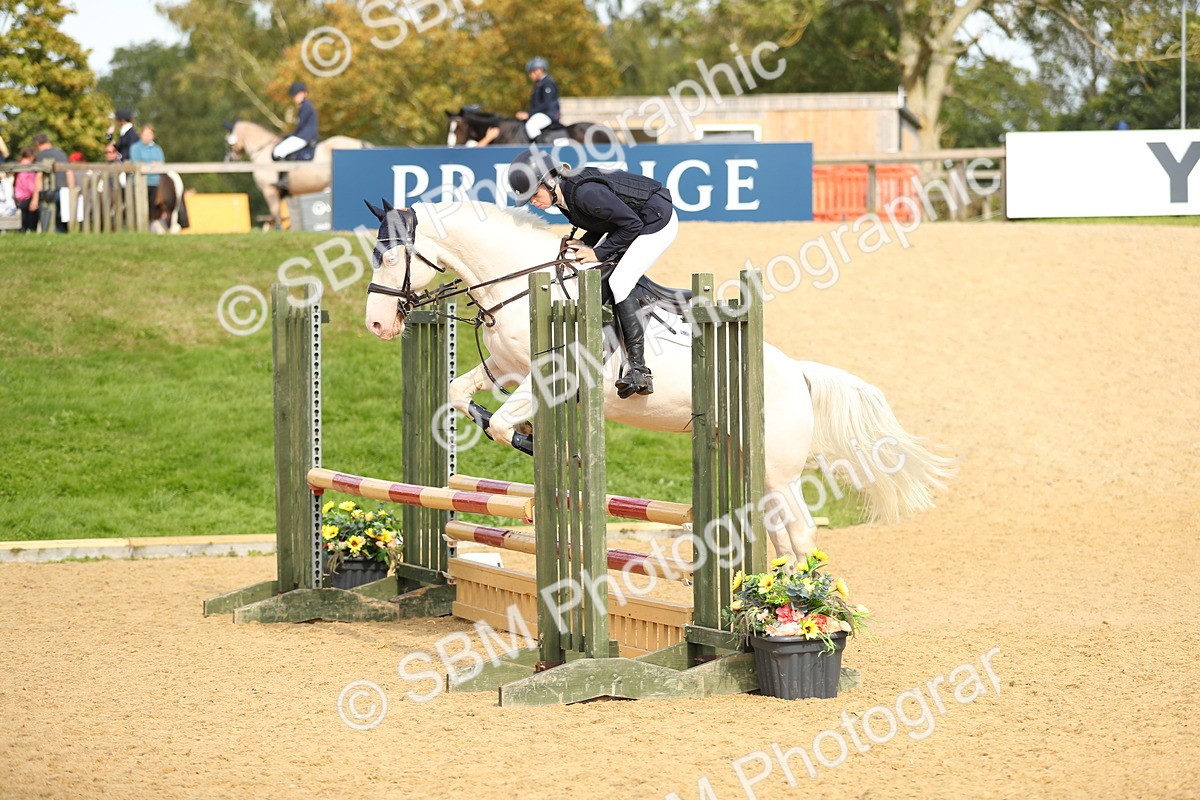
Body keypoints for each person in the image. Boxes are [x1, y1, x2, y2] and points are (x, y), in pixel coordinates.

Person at [507, 149, 679, 398]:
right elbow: (602, 221)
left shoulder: (585, 193)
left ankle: (639, 370)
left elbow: (632, 224)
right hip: (634, 220)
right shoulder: (564, 197)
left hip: (655, 221)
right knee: (594, 270)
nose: (534, 201)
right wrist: (586, 243)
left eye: (535, 193)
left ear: (551, 180)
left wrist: (598, 253)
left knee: (620, 281)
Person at [272, 81, 319, 193]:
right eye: (294, 95)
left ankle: (285, 180)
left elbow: (300, 127)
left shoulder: (306, 106)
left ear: (304, 94)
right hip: (304, 135)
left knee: (278, 151)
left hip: (305, 136)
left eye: (297, 94)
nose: (295, 97)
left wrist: (288, 136)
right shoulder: (305, 106)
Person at [30, 132, 74, 233]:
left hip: (48, 193)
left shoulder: (41, 155)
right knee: (63, 221)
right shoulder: (61, 153)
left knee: (48, 220)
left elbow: (39, 177)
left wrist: (35, 198)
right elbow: (69, 172)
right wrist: (71, 191)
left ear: (37, 144)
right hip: (64, 191)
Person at [515, 57, 560, 142]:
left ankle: (542, 148)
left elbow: (546, 104)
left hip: (548, 113)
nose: (530, 75)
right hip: (541, 113)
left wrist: (529, 114)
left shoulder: (548, 83)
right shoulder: (539, 84)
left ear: (539, 70)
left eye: (532, 72)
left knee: (531, 126)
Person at [129, 124, 165, 219]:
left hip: (155, 182)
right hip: (141, 182)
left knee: (154, 206)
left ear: (153, 135)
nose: (147, 137)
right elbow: (136, 163)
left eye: (149, 134)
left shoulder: (157, 149)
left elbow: (161, 163)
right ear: (141, 135)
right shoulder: (135, 148)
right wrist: (151, 164)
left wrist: (152, 164)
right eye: (145, 134)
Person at [13, 147, 39, 232]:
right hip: (26, 196)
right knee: (29, 221)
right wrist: (34, 193)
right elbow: (29, 182)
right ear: (31, 156)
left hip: (19, 195)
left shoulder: (19, 165)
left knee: (23, 219)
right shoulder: (28, 166)